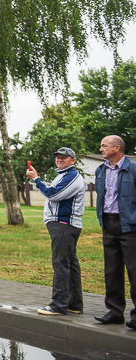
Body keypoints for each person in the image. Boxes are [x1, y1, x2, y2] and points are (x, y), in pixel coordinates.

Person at [26, 147, 85, 315]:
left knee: (61, 264)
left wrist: (36, 179)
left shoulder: (72, 176)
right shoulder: (63, 175)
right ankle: (74, 304)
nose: (60, 159)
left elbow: (53, 194)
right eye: (58, 157)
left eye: (64, 157)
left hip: (64, 224)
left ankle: (58, 305)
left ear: (73, 161)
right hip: (63, 224)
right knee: (70, 263)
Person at [93, 135, 136, 329]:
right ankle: (115, 312)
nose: (101, 149)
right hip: (108, 224)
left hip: (129, 225)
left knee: (134, 270)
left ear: (117, 148)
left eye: (104, 146)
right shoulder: (101, 170)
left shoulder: (133, 168)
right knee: (111, 270)